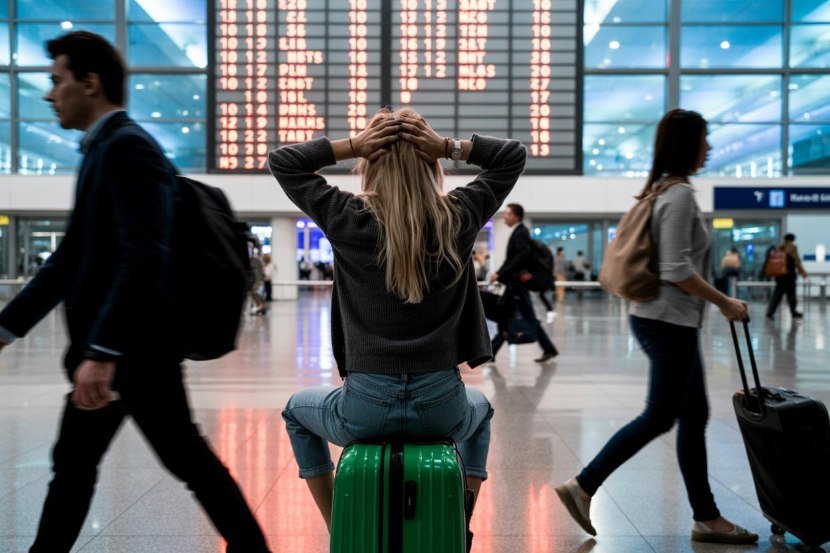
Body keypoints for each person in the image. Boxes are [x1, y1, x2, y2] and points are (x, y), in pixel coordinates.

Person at [0, 32, 271, 553]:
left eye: (56, 81)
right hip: (129, 351)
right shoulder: (106, 147)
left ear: (91, 82)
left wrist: (103, 352)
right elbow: (70, 259)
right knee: (81, 467)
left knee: (171, 461)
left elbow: (144, 255)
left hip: (134, 353)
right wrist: (5, 331)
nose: (49, 94)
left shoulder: (128, 148)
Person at [269, 109, 524, 541]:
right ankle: (459, 523)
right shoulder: (457, 217)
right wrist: (447, 146)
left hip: (364, 408)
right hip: (441, 406)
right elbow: (512, 156)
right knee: (481, 413)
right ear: (431, 166)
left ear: (370, 165)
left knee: (296, 411)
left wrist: (354, 144)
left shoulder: (347, 217)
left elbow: (284, 160)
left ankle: (340, 528)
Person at [555, 109, 758, 545]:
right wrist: (725, 303)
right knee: (661, 415)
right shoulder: (678, 194)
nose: (710, 148)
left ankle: (706, 515)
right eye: (704, 139)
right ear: (687, 144)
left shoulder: (664, 190)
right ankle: (585, 484)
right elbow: (675, 269)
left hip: (666, 321)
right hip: (667, 323)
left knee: (693, 414)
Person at [489, 203, 559, 362]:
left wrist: (500, 273)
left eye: (507, 214)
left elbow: (520, 256)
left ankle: (548, 348)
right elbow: (512, 259)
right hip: (513, 283)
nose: (505, 216)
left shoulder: (520, 233)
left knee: (524, 316)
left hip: (517, 284)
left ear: (516, 217)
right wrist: (499, 274)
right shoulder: (518, 232)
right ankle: (548, 348)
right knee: (511, 315)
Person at [766, 233, 808, 320]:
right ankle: (793, 312)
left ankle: (770, 312)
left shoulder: (779, 247)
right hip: (789, 276)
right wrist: (803, 273)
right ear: (792, 240)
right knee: (791, 295)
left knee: (777, 295)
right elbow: (797, 261)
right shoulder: (792, 247)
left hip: (780, 276)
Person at [248, 241, 267, 315]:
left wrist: (258, 283)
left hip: (258, 282)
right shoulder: (254, 259)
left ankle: (260, 307)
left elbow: (260, 273)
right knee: (255, 294)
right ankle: (260, 307)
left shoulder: (256, 260)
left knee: (256, 294)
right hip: (256, 282)